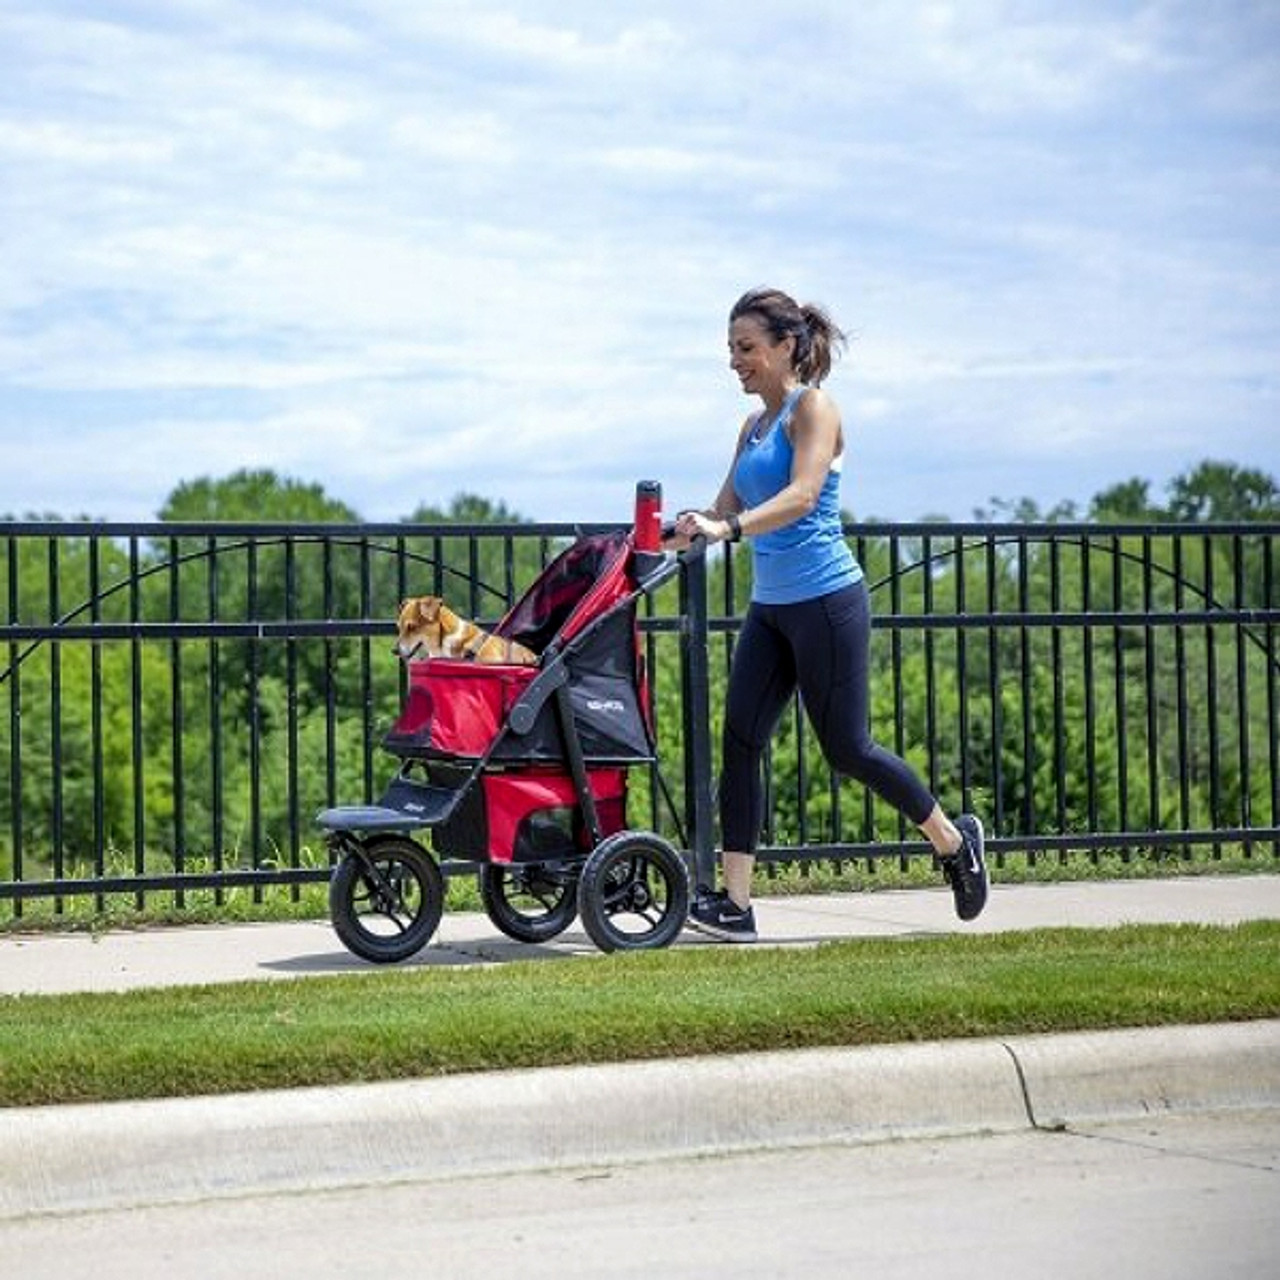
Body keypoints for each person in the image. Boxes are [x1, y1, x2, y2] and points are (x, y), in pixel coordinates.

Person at [665, 286, 988, 942]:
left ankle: (953, 843)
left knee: (847, 748)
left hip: (826, 601)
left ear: (787, 347)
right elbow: (725, 502)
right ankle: (736, 904)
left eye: (747, 348)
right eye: (730, 349)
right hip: (771, 608)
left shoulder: (813, 409)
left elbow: (804, 495)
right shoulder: (751, 427)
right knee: (740, 742)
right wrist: (689, 527)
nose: (735, 361)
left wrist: (727, 527)